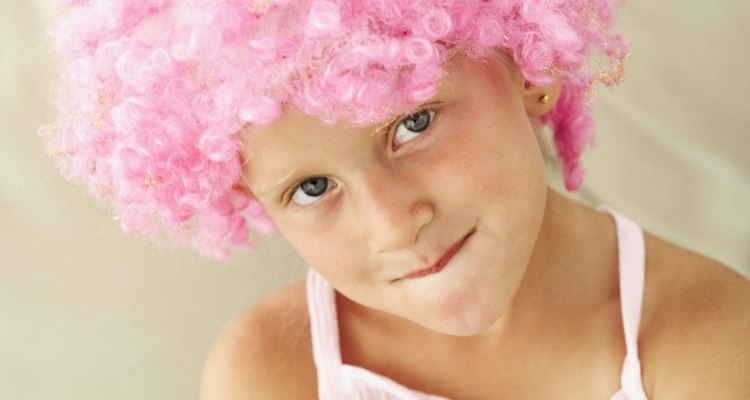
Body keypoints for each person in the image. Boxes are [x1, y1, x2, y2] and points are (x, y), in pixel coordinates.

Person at [42, 1, 749, 399]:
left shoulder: (705, 340)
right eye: (312, 188)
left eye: (413, 125)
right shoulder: (272, 373)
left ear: (531, 68)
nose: (390, 227)